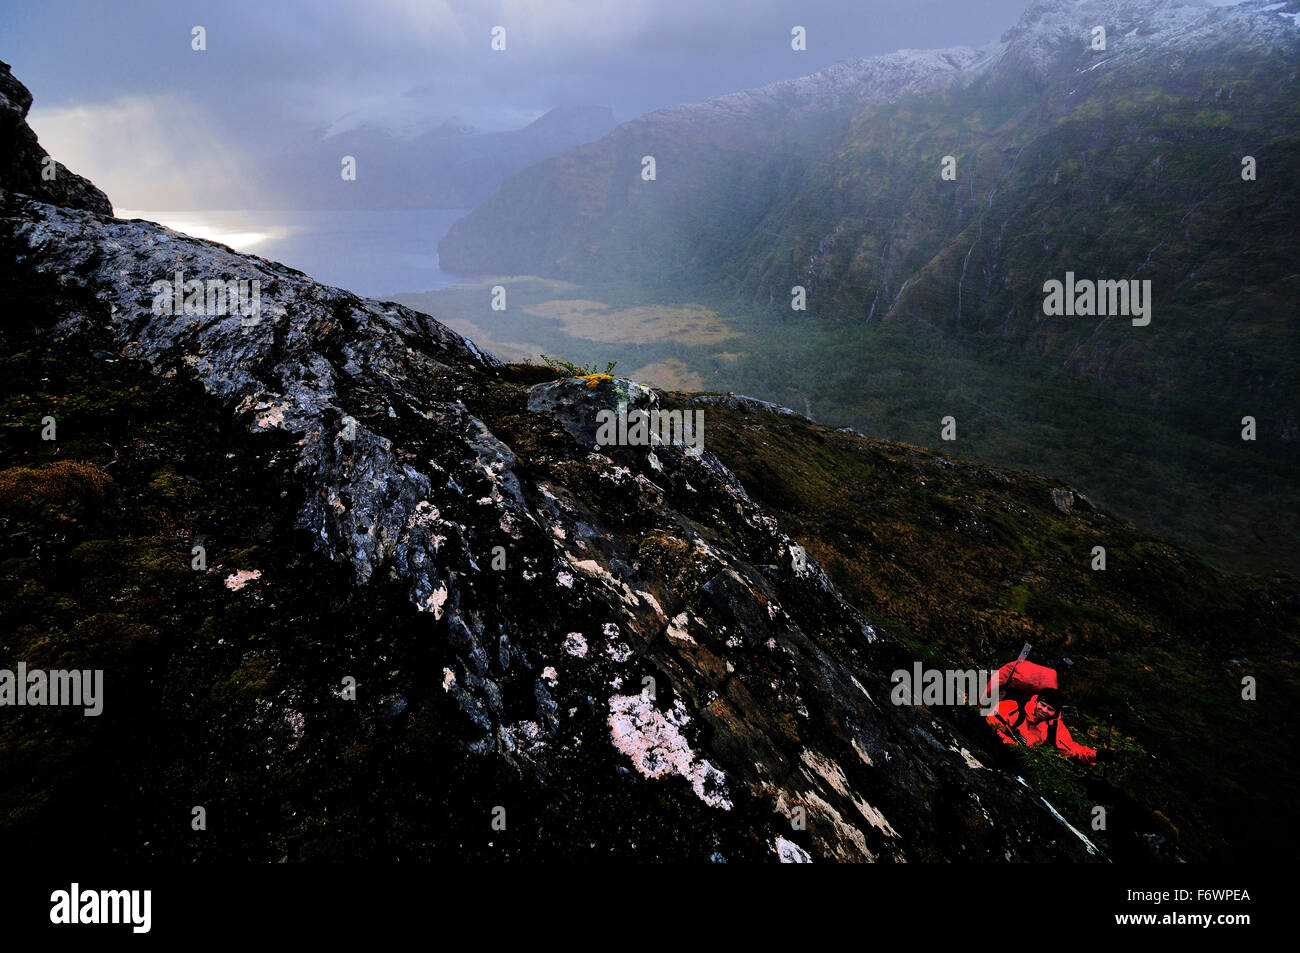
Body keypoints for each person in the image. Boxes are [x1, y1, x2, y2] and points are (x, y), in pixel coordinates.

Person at [988, 660, 1096, 763]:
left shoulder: (1052, 725)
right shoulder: (1015, 707)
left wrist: (1096, 755)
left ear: (1056, 713)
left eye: (1050, 709)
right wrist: (1012, 745)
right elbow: (990, 721)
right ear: (1036, 701)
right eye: (1042, 705)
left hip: (1016, 759)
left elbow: (1069, 747)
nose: (1044, 710)